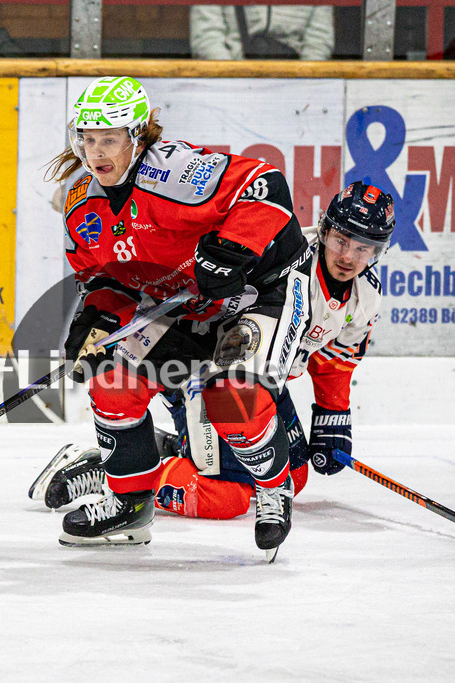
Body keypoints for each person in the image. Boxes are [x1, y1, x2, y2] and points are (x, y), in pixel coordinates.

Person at [47, 76, 312, 557]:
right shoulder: (80, 204)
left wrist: (230, 251)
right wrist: (99, 319)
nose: (95, 151)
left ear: (138, 136)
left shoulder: (175, 171)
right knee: (111, 382)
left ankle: (273, 490)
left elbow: (268, 186)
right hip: (182, 303)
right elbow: (109, 280)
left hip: (257, 292)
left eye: (108, 139)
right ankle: (129, 506)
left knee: (231, 395)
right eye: (87, 139)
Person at [31, 182, 396, 526]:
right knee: (226, 497)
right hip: (206, 373)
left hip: (260, 383)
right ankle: (109, 470)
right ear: (325, 229)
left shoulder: (366, 295)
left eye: (364, 248)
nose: (348, 256)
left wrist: (332, 417)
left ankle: (157, 449)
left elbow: (336, 356)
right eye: (341, 240)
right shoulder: (279, 254)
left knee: (292, 476)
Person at [190, 4, 334, 61]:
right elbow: (207, 39)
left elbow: (318, 43)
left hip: (296, 86)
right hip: (231, 84)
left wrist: (303, 85)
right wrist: (232, 80)